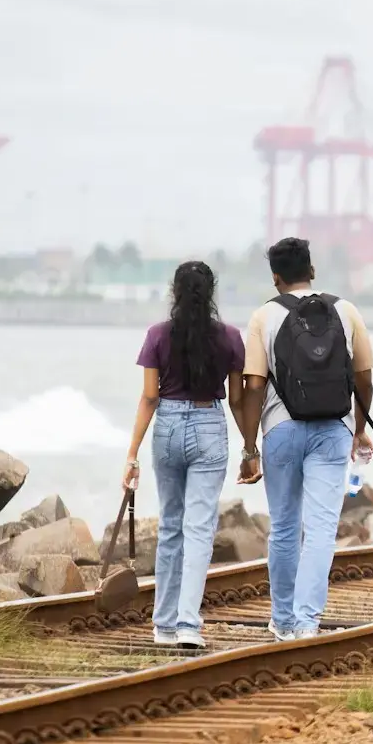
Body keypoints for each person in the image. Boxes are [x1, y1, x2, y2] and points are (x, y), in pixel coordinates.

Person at [237, 237, 373, 641]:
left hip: (280, 430)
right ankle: (306, 623)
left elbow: (254, 386)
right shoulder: (345, 310)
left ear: (275, 277)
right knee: (320, 529)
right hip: (334, 429)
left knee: (283, 527)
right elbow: (364, 377)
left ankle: (282, 621)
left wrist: (250, 448)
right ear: (312, 271)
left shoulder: (264, 316)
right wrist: (359, 428)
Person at [123, 261, 246, 650]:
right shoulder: (229, 338)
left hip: (168, 427)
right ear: (211, 293)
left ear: (174, 292)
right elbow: (239, 398)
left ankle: (162, 624)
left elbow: (149, 397)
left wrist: (132, 454)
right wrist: (251, 447)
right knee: (198, 529)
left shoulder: (157, 335)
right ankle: (188, 625)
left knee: (171, 526)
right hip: (210, 424)